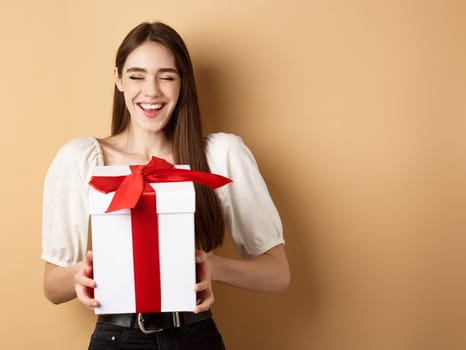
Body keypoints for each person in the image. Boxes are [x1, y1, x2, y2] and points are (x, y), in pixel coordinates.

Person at [41, 22, 290, 349]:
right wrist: (81, 274)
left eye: (167, 76)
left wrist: (210, 266)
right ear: (118, 79)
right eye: (136, 75)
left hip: (194, 334)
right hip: (116, 337)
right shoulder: (81, 158)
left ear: (183, 83)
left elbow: (277, 275)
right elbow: (51, 287)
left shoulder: (220, 155)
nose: (152, 91)